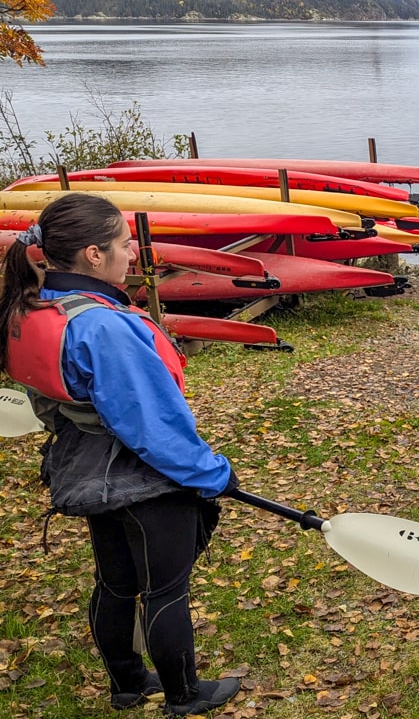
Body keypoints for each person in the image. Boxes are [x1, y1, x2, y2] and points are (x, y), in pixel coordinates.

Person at [0, 193, 242, 715]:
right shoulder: (104, 326)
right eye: (124, 244)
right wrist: (212, 473)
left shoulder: (39, 305)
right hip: (139, 477)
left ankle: (128, 684)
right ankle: (185, 695)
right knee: (164, 590)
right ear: (92, 254)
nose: (131, 254)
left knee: (115, 581)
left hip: (84, 465)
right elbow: (152, 427)